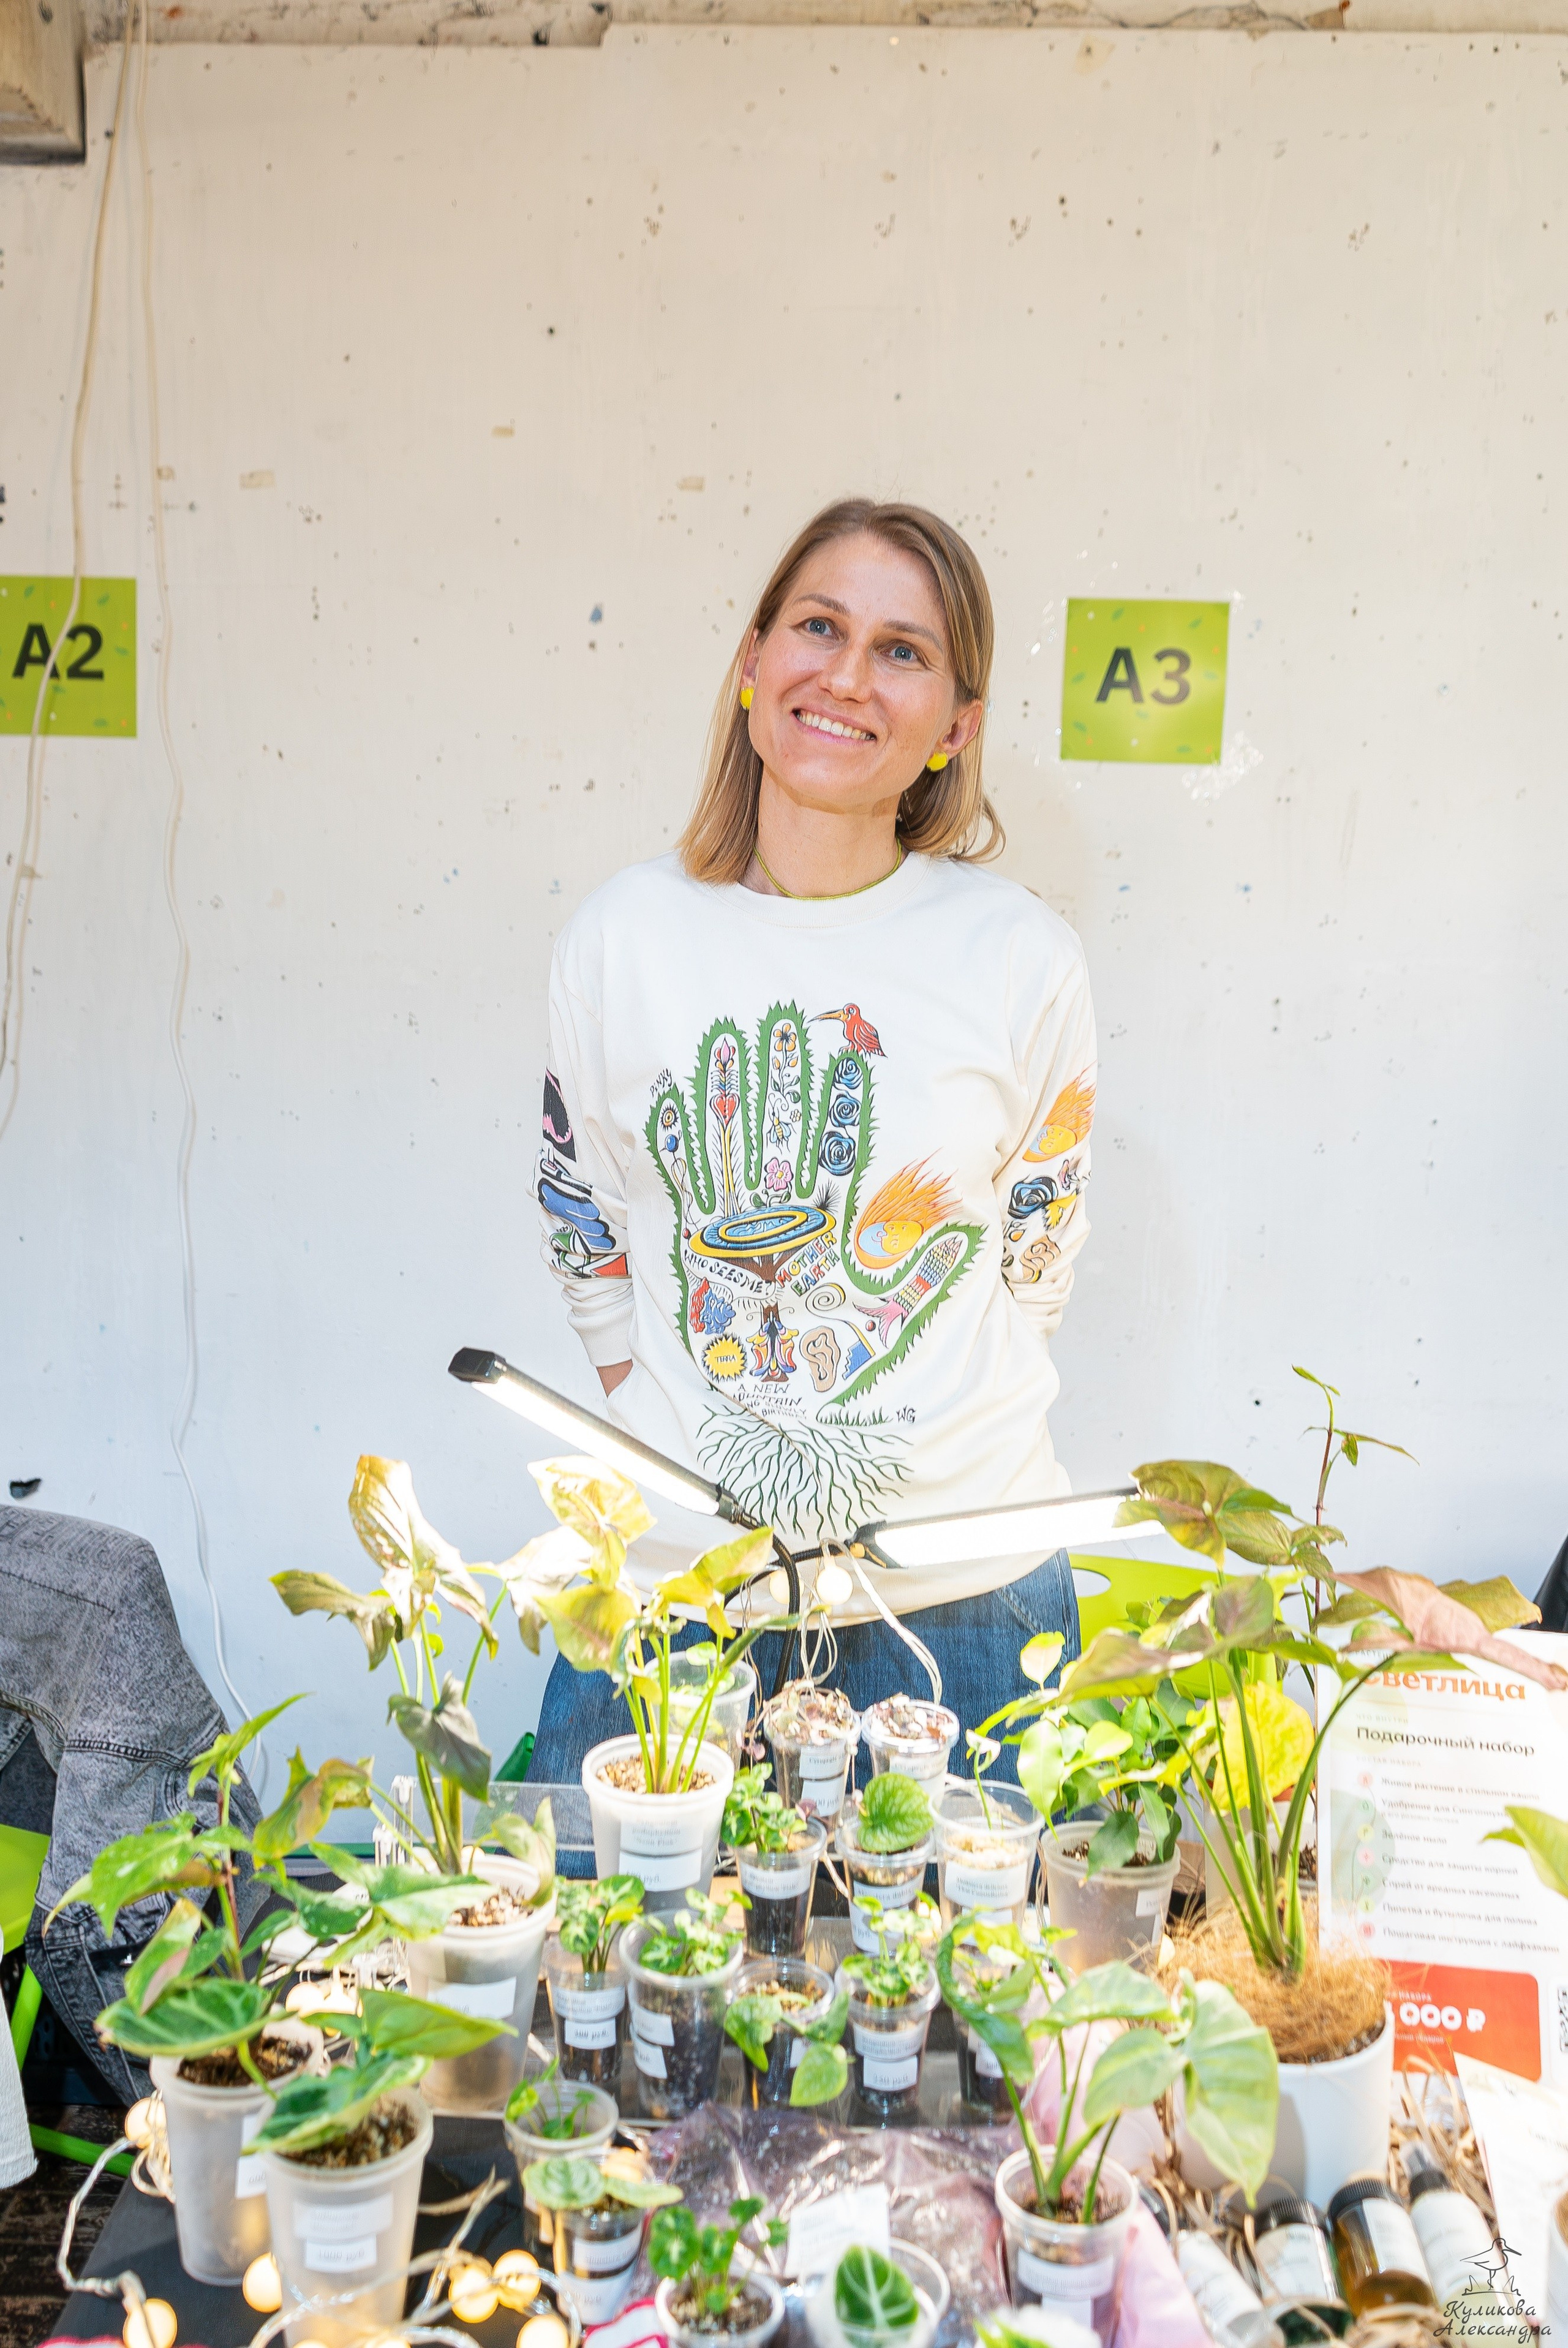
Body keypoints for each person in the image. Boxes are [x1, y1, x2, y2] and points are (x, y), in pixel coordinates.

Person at [526, 497, 1096, 1786]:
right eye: (818, 627)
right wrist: (657, 1411)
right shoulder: (623, 935)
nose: (845, 675)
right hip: (681, 1592)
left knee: (961, 1986)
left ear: (954, 727)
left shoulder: (1018, 958)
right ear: (750, 662)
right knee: (606, 1975)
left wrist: (899, 1399)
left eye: (902, 650)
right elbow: (581, 1207)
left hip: (966, 1592)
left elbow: (1034, 1254)